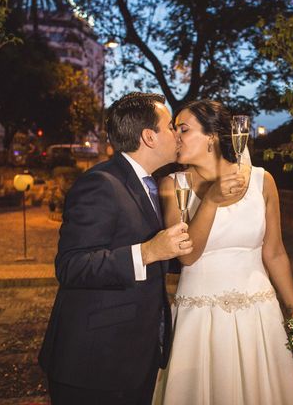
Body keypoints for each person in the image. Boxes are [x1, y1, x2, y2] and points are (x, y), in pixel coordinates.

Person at [38, 92, 194, 405]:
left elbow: (153, 251)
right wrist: (147, 252)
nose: (178, 135)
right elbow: (72, 266)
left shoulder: (147, 184)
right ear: (149, 136)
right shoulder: (100, 183)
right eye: (170, 128)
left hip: (135, 357)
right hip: (94, 362)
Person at [153, 100, 293, 405]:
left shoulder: (263, 181)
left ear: (212, 136)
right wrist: (210, 201)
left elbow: (274, 253)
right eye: (174, 130)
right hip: (198, 317)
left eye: (184, 129)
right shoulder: (172, 185)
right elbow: (186, 256)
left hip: (258, 315)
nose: (176, 138)